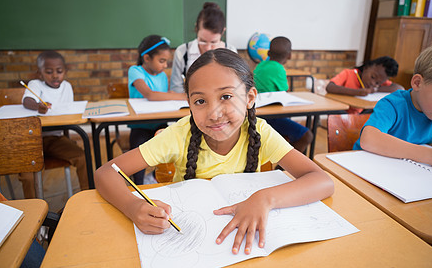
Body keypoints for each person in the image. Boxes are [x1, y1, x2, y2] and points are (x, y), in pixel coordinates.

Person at [95, 49, 334, 255]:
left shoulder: (260, 132)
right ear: (188, 103)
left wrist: (264, 198)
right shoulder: (178, 136)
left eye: (226, 96)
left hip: (238, 248)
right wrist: (132, 206)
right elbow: (106, 172)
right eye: (200, 101)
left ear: (250, 98)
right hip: (189, 243)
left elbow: (322, 181)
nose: (214, 113)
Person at [354, 43, 432, 168]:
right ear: (417, 83)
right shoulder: (394, 105)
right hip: (364, 168)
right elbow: (369, 139)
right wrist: (431, 156)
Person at [20, 51, 88, 198]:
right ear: (40, 73)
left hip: (55, 139)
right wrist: (37, 106)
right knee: (28, 175)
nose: (55, 76)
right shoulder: (35, 84)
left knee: (82, 157)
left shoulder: (67, 87)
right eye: (49, 72)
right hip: (33, 140)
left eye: (59, 71)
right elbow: (27, 101)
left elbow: (67, 112)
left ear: (65, 71)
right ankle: (34, 209)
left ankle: (88, 196)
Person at [128, 35, 186, 184]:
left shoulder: (161, 76)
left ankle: (155, 178)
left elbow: (163, 99)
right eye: (162, 61)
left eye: (166, 61)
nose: (165, 65)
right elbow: (150, 95)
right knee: (138, 153)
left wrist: (171, 96)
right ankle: (138, 185)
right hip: (140, 126)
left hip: (159, 124)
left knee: (172, 146)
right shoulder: (135, 71)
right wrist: (181, 96)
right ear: (146, 58)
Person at [253, 36, 313, 153]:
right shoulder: (279, 69)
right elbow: (284, 92)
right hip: (272, 118)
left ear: (268, 53)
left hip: (257, 116)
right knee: (307, 135)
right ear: (290, 55)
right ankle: (285, 167)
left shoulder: (259, 66)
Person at [170, 2, 237, 93]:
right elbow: (176, 88)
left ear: (223, 32)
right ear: (196, 28)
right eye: (203, 41)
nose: (208, 48)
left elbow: (236, 85)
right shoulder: (182, 52)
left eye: (214, 42)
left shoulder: (230, 51)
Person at [326, 56, 403, 96]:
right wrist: (356, 92)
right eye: (372, 77)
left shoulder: (378, 82)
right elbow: (330, 87)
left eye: (377, 83)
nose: (373, 83)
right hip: (341, 115)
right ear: (367, 67)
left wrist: (376, 89)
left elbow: (400, 88)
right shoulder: (349, 73)